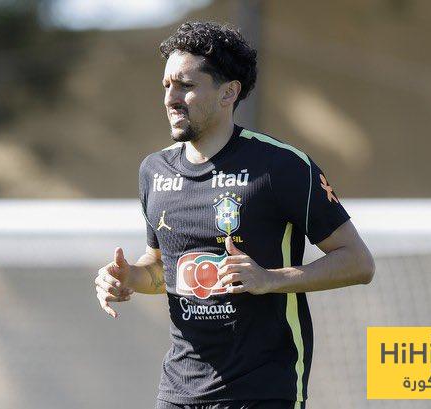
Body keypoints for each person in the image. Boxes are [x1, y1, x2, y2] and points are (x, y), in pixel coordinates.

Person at [94, 21, 375, 409]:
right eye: (166, 86)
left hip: (263, 390)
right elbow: (163, 269)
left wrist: (269, 279)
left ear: (229, 92)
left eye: (185, 86)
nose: (170, 98)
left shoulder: (281, 166)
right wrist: (128, 278)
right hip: (179, 391)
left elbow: (358, 262)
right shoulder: (154, 171)